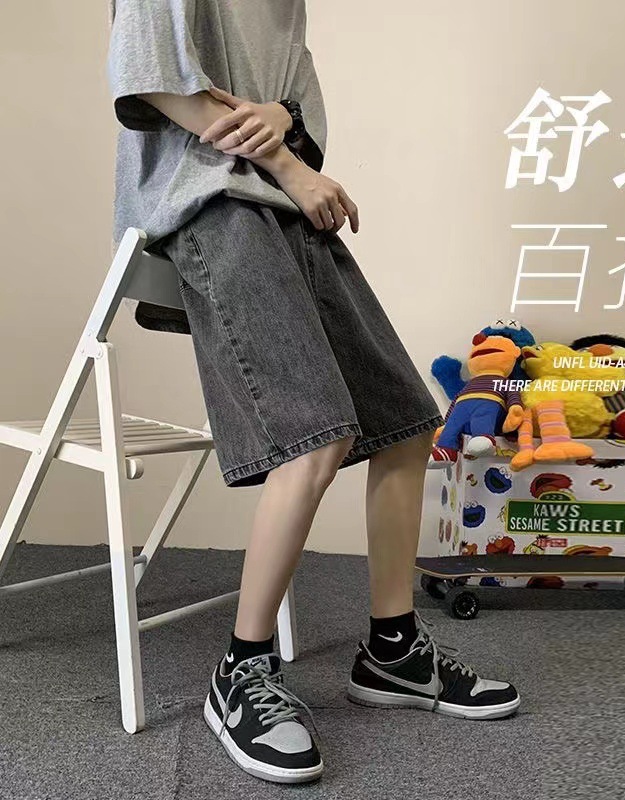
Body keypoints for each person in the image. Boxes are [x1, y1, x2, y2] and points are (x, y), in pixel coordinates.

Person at [107, 0, 520, 784]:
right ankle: (242, 668)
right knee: (317, 435)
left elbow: (294, 102)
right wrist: (291, 163)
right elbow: (150, 78)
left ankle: (393, 651)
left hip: (285, 209)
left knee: (405, 424)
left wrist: (282, 121)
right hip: (212, 208)